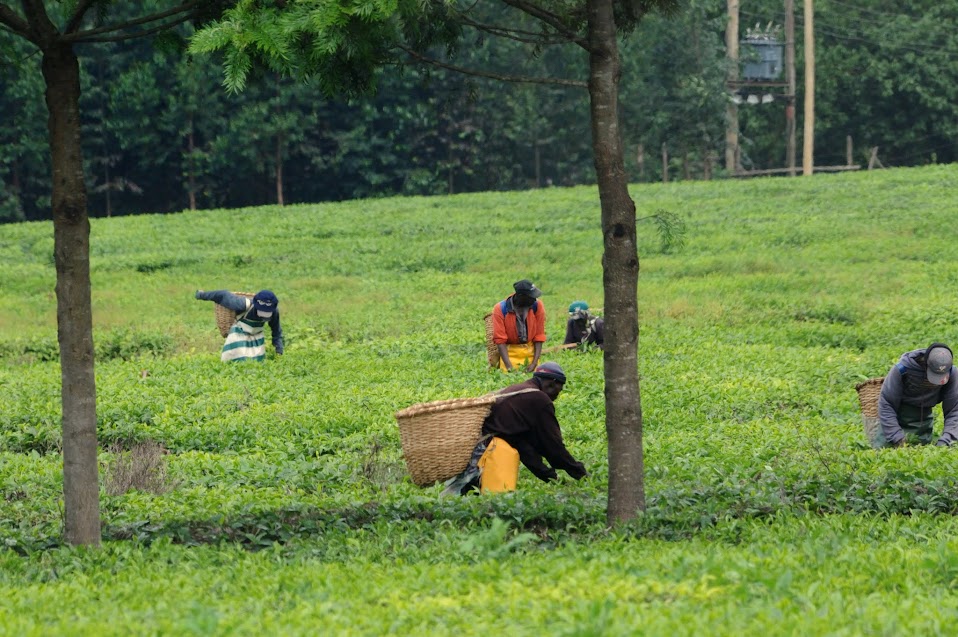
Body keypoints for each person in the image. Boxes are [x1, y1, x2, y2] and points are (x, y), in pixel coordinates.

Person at [443, 362, 587, 495]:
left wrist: (550, 477)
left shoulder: (519, 390)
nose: (556, 397)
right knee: (485, 498)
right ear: (552, 384)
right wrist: (580, 473)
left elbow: (523, 445)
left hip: (476, 449)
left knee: (462, 496)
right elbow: (553, 445)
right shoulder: (540, 400)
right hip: (488, 452)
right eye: (558, 391)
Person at [876, 342, 958, 447]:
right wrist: (896, 436)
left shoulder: (952, 373)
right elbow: (887, 403)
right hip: (895, 420)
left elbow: (954, 410)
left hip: (924, 422)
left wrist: (946, 440)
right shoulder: (901, 369)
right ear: (925, 363)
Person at [195, 289, 284, 362]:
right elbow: (222, 295)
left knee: (257, 362)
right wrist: (202, 295)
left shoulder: (274, 311)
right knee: (235, 359)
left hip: (256, 337)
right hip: (239, 334)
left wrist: (279, 350)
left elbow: (276, 331)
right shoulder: (243, 304)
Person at [491, 279, 547, 372]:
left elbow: (539, 335)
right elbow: (500, 340)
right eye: (531, 297)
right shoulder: (501, 308)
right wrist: (509, 368)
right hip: (509, 354)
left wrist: (534, 363)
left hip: (530, 352)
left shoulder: (537, 305)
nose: (534, 299)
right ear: (521, 296)